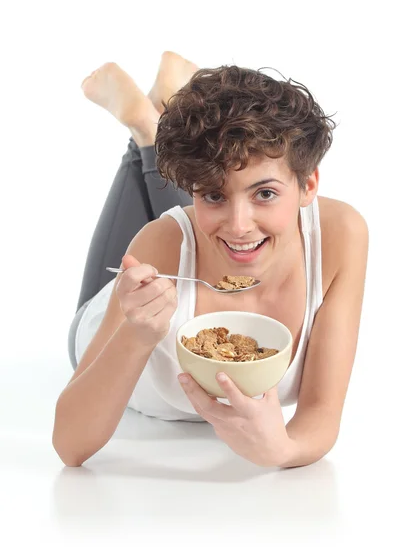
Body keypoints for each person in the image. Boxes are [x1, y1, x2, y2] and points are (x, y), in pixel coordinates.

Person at [53, 51, 369, 470]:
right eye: (212, 194)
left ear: (308, 184)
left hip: (186, 240)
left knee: (213, 222)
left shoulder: (340, 235)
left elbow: (321, 414)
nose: (239, 225)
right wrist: (136, 334)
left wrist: (284, 451)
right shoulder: (160, 244)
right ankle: (145, 132)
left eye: (266, 193)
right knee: (176, 230)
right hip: (112, 317)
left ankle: (153, 127)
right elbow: (70, 447)